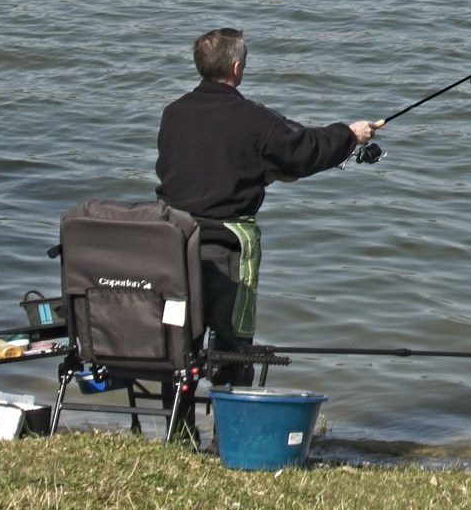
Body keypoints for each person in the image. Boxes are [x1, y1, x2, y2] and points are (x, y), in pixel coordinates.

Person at [154, 27, 382, 383]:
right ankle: (233, 421)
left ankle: (177, 427)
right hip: (226, 244)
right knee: (232, 345)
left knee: (182, 340)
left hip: (171, 241)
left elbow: (201, 165)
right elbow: (304, 150)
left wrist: (263, 172)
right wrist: (350, 134)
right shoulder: (254, 119)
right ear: (235, 69)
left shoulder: (173, 114)